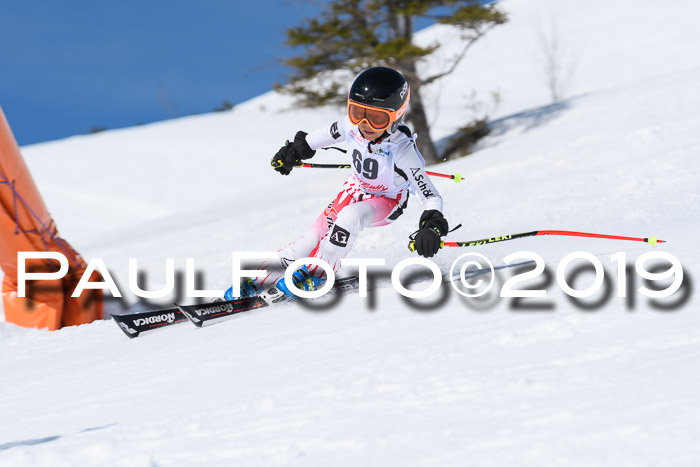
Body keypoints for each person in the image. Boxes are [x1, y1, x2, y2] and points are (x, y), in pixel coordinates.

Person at [226, 66, 449, 299]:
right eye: (357, 112)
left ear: (396, 115)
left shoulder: (403, 150)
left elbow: (431, 195)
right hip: (353, 190)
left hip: (387, 201)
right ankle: (257, 279)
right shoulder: (350, 126)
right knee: (309, 241)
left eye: (376, 117)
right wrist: (291, 153)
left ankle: (319, 274)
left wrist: (431, 227)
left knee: (349, 217)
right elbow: (313, 141)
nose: (364, 123)